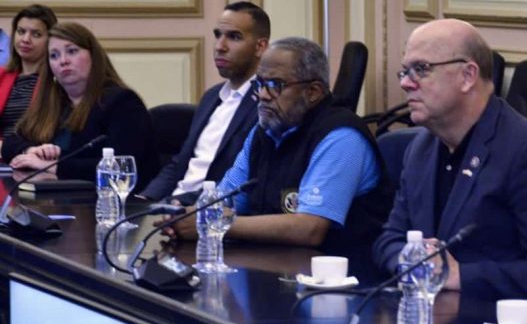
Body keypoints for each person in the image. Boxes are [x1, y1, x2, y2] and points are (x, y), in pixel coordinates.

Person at [372, 19, 527, 302]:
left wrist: (459, 275)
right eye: (404, 71)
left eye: (421, 70)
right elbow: (388, 239)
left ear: (468, 75)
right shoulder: (420, 147)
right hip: (424, 319)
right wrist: (411, 261)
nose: (406, 83)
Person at [165, 37, 393, 255]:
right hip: (269, 268)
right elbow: (225, 201)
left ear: (312, 92)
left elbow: (309, 229)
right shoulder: (263, 131)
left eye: (275, 85)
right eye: (259, 84)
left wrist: (215, 224)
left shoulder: (341, 136)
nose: (263, 95)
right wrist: (183, 217)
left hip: (339, 282)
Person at [1, 22, 158, 192]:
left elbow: (122, 167)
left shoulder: (122, 102)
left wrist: (52, 165)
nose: (63, 61)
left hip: (115, 205)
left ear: (93, 56)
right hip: (59, 201)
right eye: (54, 55)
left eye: (72, 51)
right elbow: (11, 141)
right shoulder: (55, 102)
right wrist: (33, 150)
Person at [140, 1, 270, 204]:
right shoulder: (212, 97)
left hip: (207, 211)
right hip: (170, 206)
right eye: (218, 35)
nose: (220, 46)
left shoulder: (266, 101)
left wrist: (181, 202)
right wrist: (146, 198)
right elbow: (180, 162)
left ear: (260, 47)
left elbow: (243, 177)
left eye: (234, 37)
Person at [0, 4, 58, 142]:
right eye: (21, 31)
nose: (25, 39)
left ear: (50, 39)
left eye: (36, 34)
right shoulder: (1, 76)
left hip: (37, 158)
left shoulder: (57, 81)